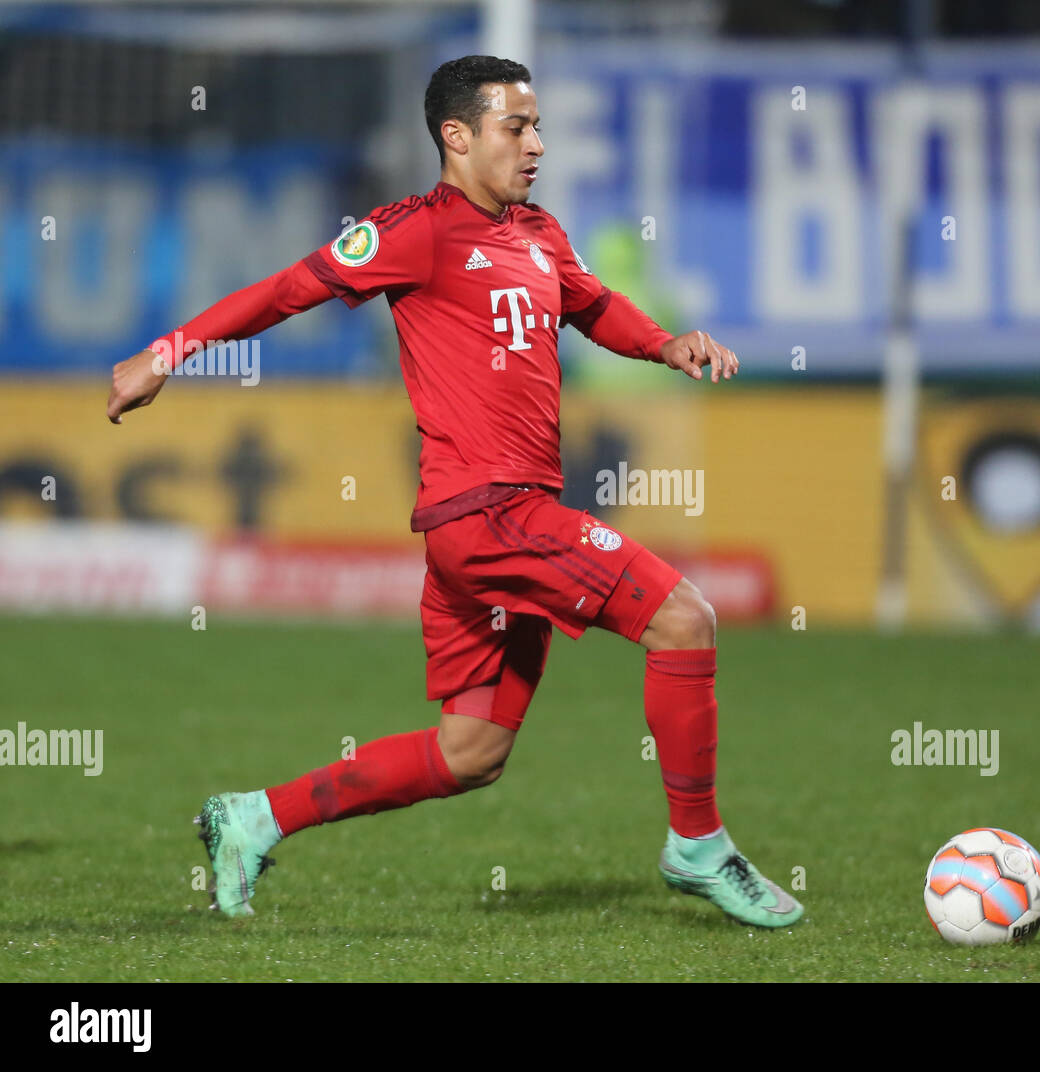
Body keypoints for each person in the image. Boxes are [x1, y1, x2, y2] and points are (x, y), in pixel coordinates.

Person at [106, 55, 803, 929]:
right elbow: (286, 291)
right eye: (517, 127)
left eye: (538, 125)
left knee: (471, 753)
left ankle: (253, 818)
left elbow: (590, 305)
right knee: (685, 618)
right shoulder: (413, 233)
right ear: (456, 135)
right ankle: (698, 846)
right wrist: (165, 353)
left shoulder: (539, 232)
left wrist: (664, 344)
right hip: (493, 515)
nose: (537, 144)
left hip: (490, 529)